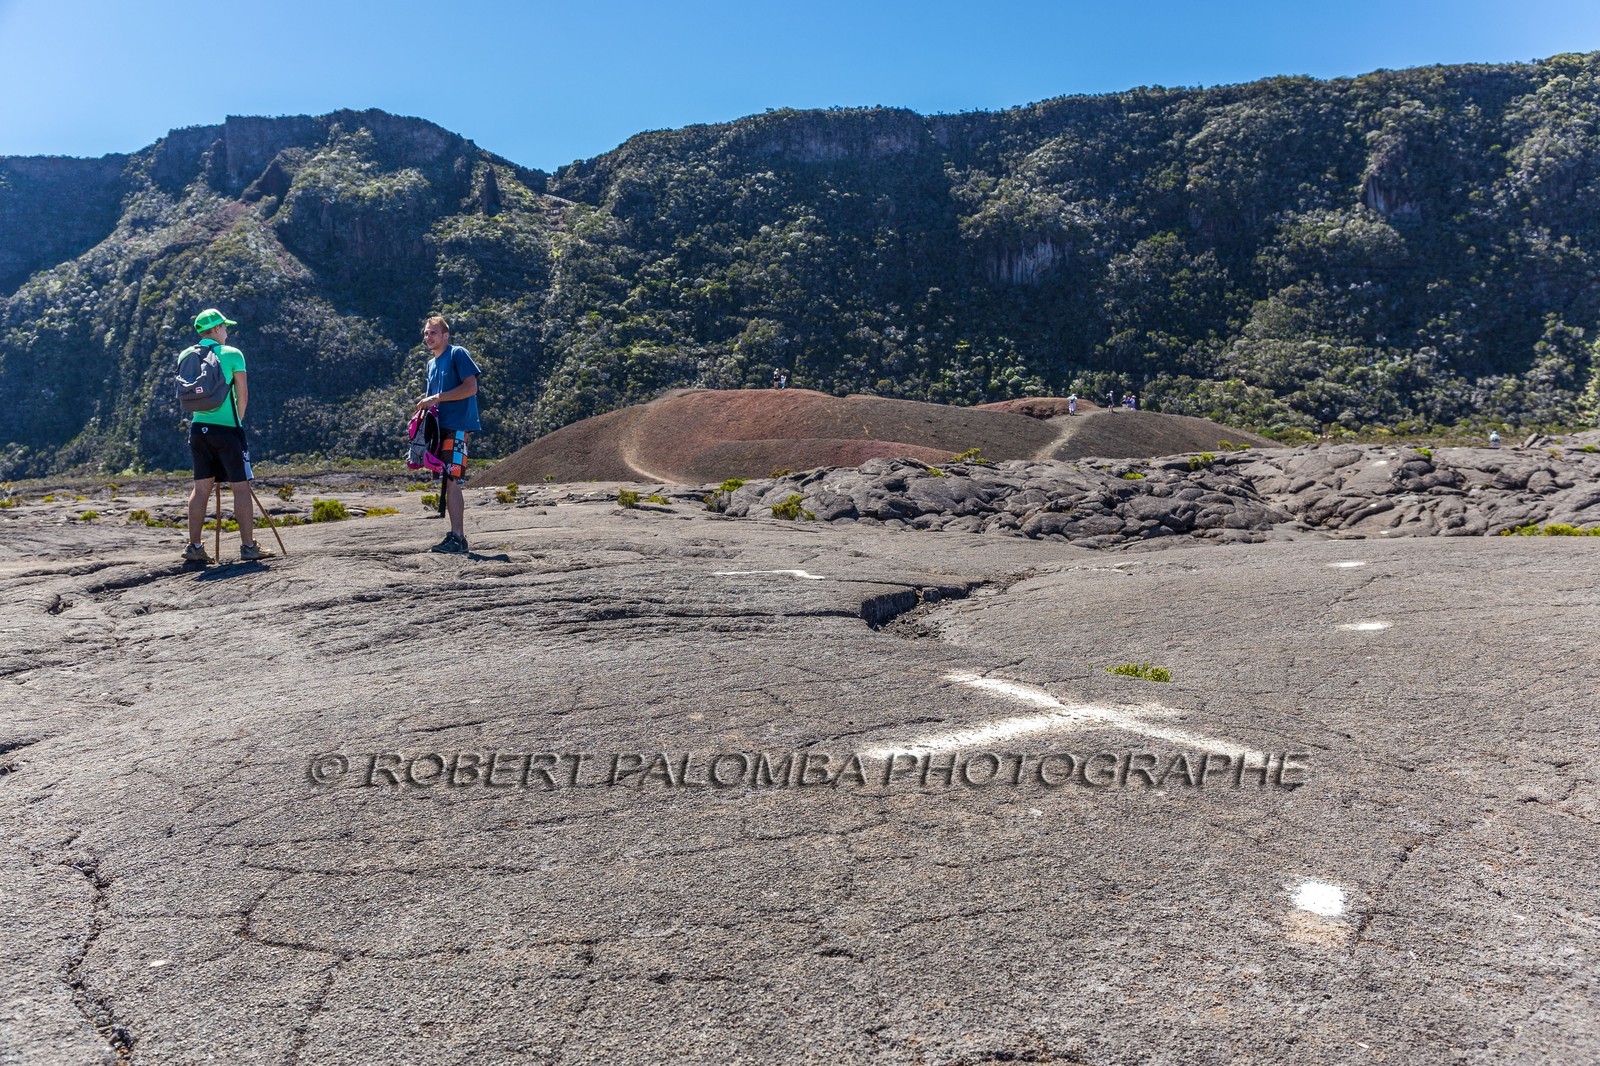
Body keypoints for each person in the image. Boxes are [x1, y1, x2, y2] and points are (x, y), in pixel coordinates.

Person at [182, 308, 271, 563]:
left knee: (200, 489)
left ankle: (194, 547)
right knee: (241, 488)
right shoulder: (232, 354)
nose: (227, 331)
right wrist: (237, 423)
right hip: (227, 431)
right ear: (217, 328)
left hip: (198, 430)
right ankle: (248, 547)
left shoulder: (186, 354)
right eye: (225, 327)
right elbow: (243, 395)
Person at [414, 315, 481, 554]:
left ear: (445, 335)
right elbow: (432, 400)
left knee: (452, 479)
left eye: (433, 332)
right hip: (439, 429)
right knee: (446, 480)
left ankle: (458, 537)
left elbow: (471, 387)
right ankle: (456, 537)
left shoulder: (457, 354)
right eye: (426, 333)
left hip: (457, 426)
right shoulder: (431, 364)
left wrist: (437, 398)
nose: (428, 337)